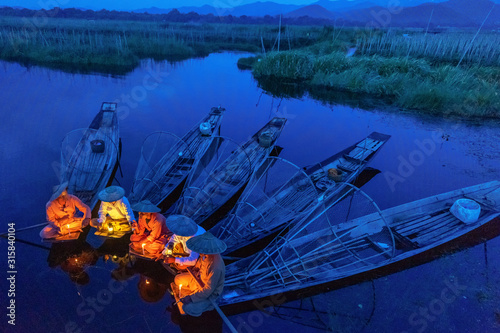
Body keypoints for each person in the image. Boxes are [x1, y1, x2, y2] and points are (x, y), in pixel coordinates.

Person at [173, 232, 226, 317]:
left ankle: (207, 305)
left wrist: (191, 298)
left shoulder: (216, 266)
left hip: (209, 293)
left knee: (187, 308)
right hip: (198, 280)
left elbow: (208, 289)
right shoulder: (205, 254)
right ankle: (195, 292)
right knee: (177, 279)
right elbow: (200, 265)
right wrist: (195, 269)